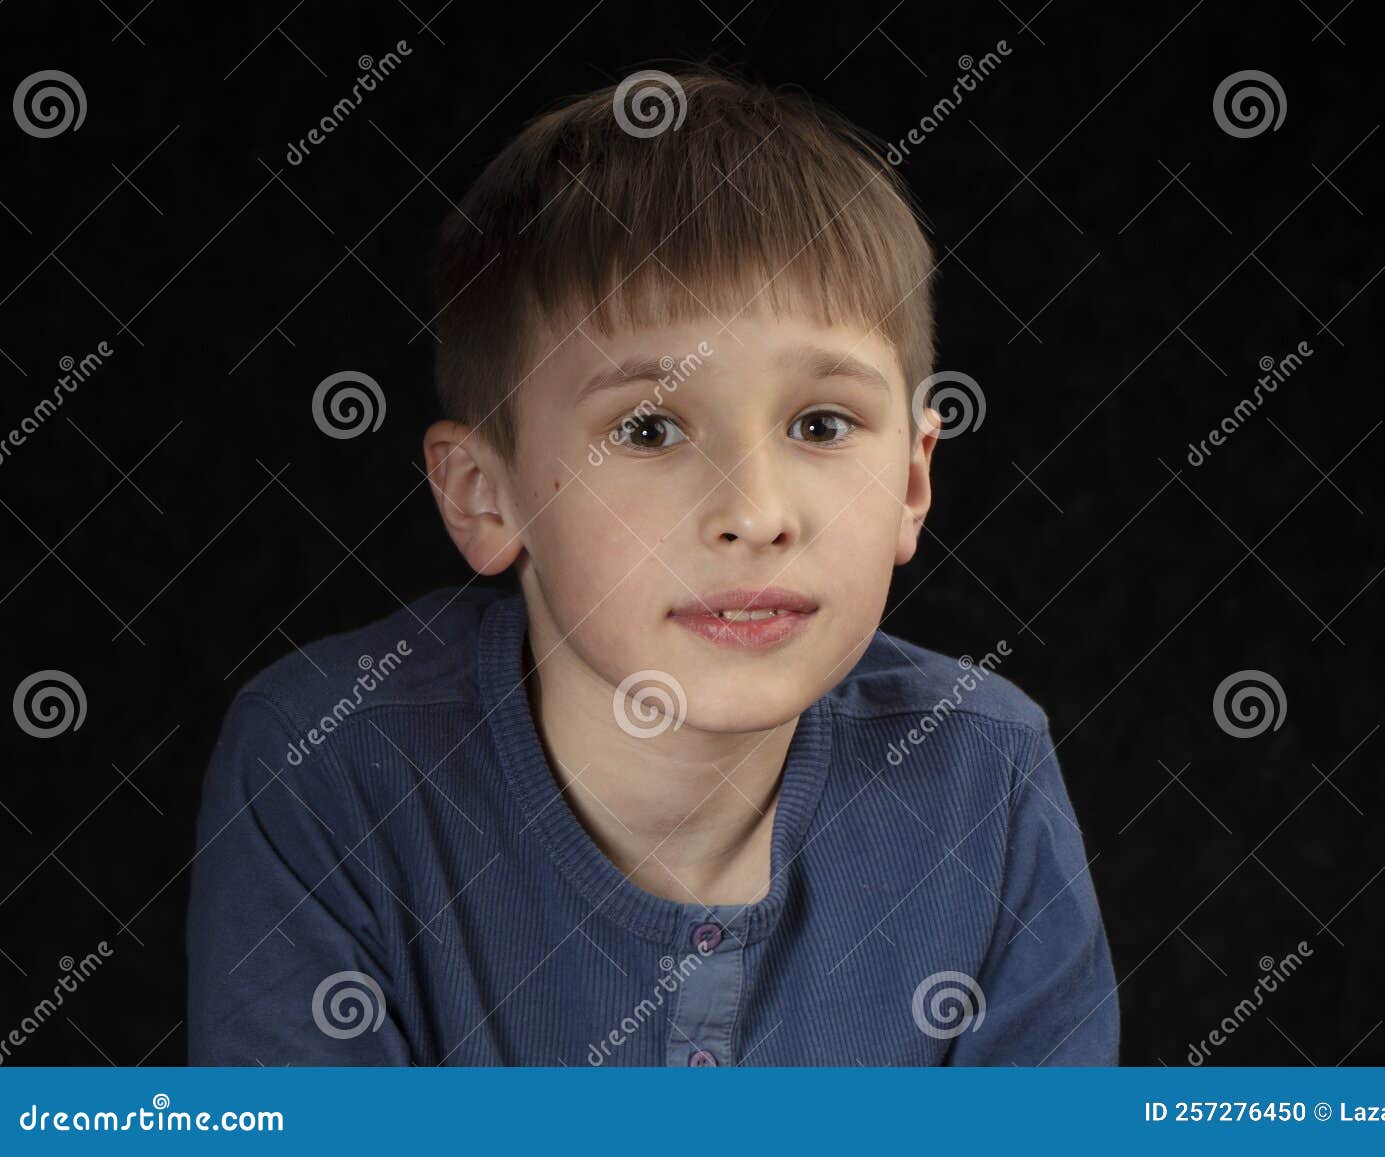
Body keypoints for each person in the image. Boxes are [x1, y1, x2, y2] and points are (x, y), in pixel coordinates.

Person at [185, 68, 1119, 1066]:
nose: (755, 514)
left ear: (912, 481)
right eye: (647, 427)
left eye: (820, 422)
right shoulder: (331, 760)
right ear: (483, 496)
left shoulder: (984, 772)